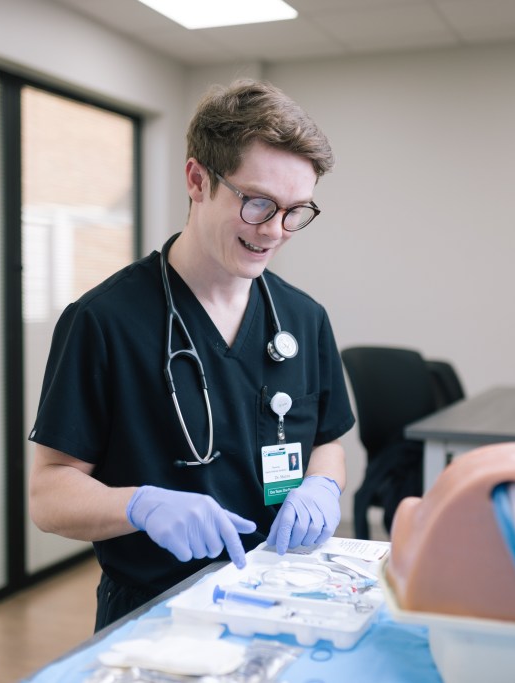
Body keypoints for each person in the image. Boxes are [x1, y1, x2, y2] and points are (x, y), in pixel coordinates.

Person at [28, 79, 355, 631]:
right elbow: (48, 493)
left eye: (296, 211)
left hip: (283, 596)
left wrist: (323, 485)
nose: (275, 231)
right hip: (156, 613)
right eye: (258, 204)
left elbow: (327, 441)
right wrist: (140, 506)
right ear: (198, 180)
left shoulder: (304, 318)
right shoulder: (104, 321)